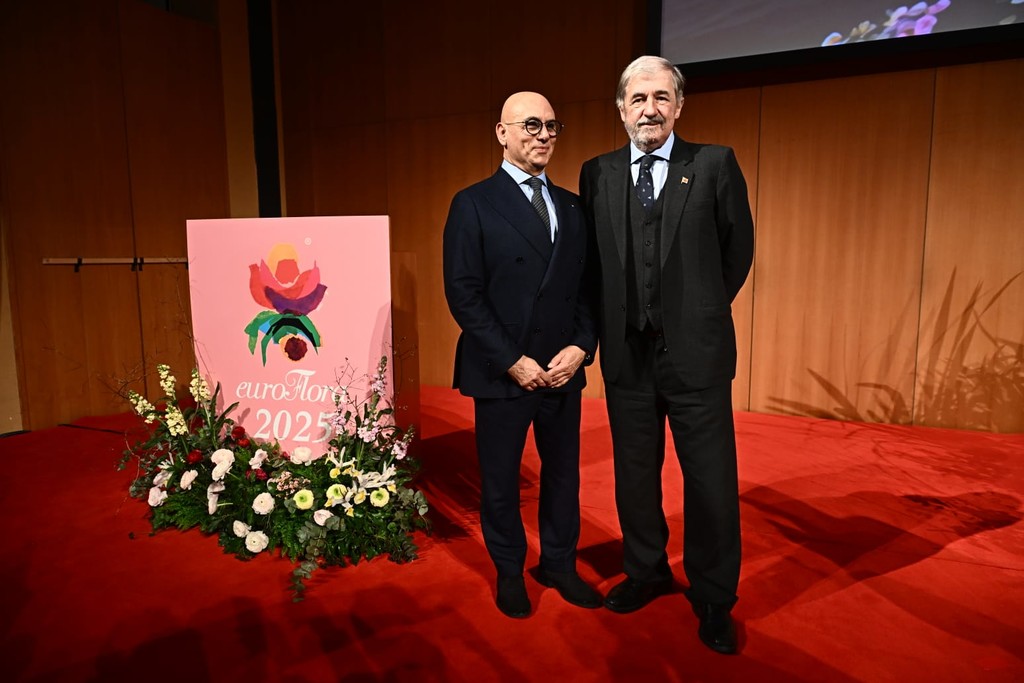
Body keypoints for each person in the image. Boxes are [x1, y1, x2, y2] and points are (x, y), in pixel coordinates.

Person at [578, 56, 754, 654]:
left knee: (710, 481)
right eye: (637, 98)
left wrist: (696, 312)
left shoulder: (714, 164)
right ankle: (646, 570)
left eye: (660, 98)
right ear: (620, 109)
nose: (648, 109)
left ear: (679, 106)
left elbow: (736, 251)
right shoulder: (597, 173)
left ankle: (714, 594)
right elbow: (593, 264)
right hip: (626, 355)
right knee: (634, 474)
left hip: (695, 356)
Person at [443, 91, 601, 618]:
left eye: (552, 126)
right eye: (531, 124)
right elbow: (464, 293)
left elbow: (587, 289)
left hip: (561, 370)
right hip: (503, 369)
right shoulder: (472, 202)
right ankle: (509, 569)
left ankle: (559, 563)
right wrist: (513, 360)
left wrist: (581, 347)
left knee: (563, 476)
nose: (543, 135)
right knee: (501, 480)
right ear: (502, 132)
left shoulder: (573, 206)